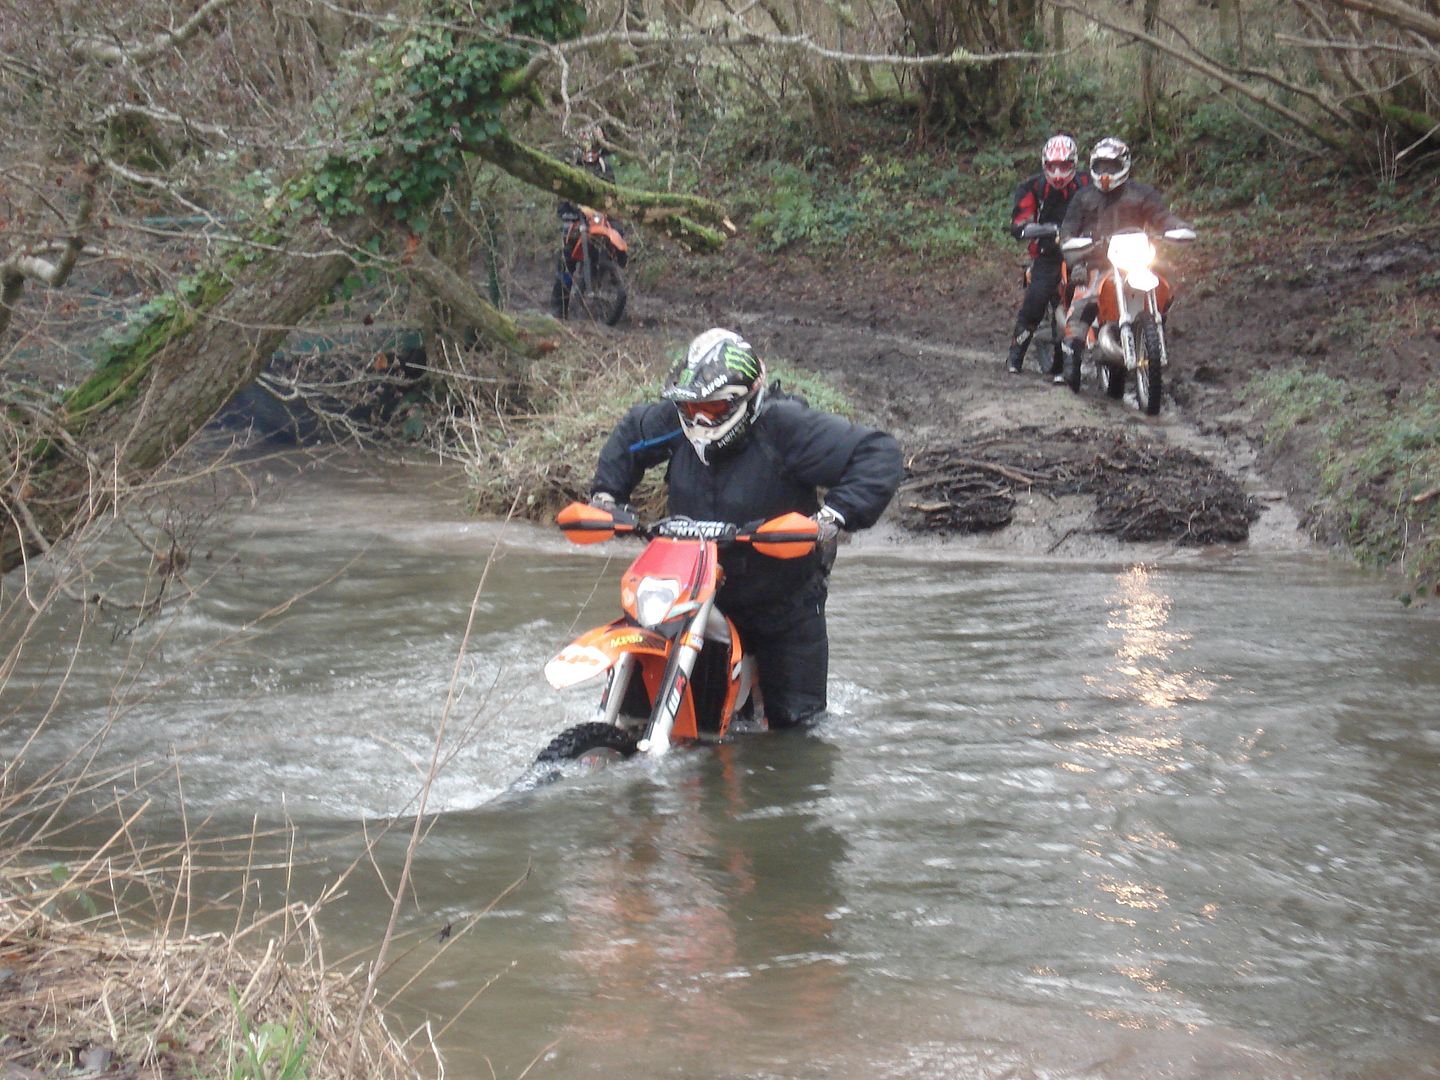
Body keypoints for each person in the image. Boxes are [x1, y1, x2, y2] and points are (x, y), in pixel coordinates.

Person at [588, 328, 903, 729]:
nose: (701, 419)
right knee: (638, 702)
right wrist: (606, 497)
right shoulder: (678, 421)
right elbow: (632, 434)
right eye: (691, 407)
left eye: (716, 409)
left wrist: (832, 517)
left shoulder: (786, 427)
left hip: (781, 600)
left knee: (796, 733)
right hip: (693, 590)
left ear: (746, 400)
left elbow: (878, 452)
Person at [1057, 136, 1194, 387]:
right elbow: (1068, 229)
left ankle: (1154, 325)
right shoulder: (1084, 198)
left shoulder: (1142, 193)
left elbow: (1160, 216)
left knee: (1166, 282)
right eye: (1101, 167)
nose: (1106, 173)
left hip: (1136, 259)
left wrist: (1177, 228)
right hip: (1095, 260)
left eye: (1111, 166)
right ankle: (1071, 361)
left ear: (1124, 164)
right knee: (1082, 303)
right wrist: (1073, 246)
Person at [1006, 133, 1088, 380]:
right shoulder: (1033, 187)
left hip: (1085, 250)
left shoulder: (1087, 183)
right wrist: (1038, 229)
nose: (1058, 173)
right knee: (1036, 298)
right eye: (1053, 167)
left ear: (1073, 163)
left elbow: (1105, 208)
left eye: (1064, 166)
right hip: (1048, 252)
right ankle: (1015, 355)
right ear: (1044, 164)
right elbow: (1020, 222)